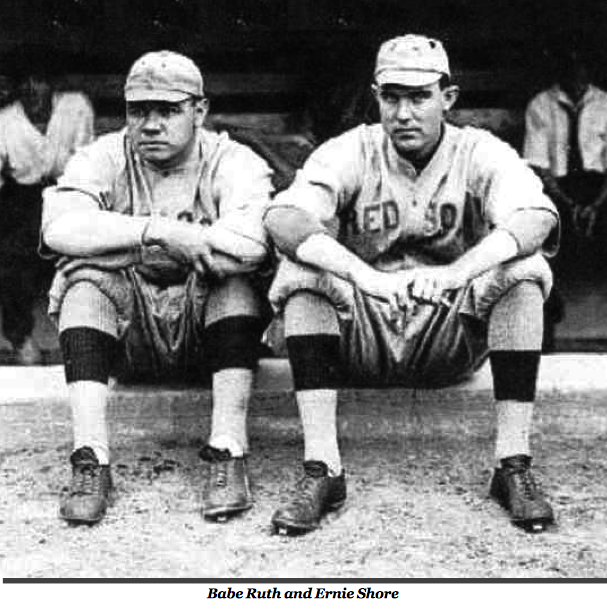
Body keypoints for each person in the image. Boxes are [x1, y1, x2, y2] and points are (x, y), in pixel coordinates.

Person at [264, 34, 559, 536]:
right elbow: (284, 219)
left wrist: (458, 273)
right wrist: (363, 277)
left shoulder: (478, 151)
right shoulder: (352, 149)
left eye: (419, 96)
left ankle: (513, 463)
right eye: (392, 96)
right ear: (375, 96)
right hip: (366, 332)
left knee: (526, 272)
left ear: (448, 98)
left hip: (447, 331)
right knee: (301, 274)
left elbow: (536, 218)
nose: (404, 112)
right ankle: (323, 468)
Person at [41, 51, 274, 525]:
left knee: (235, 280)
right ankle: (91, 458)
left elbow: (250, 245)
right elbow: (57, 229)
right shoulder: (104, 155)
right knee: (83, 280)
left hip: (206, 334)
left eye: (167, 110)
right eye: (138, 110)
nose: (150, 125)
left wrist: (115, 242)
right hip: (129, 336)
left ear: (200, 111)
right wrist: (159, 233)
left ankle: (228, 450)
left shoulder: (232, 160)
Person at [0, 58, 94, 364]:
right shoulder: (5, 119)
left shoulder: (75, 106)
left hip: (69, 191)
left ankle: (89, 338)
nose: (31, 88)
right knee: (12, 258)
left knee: (88, 255)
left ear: (51, 83)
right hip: (21, 198)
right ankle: (21, 338)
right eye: (24, 81)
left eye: (38, 79)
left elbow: (86, 159)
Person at [524, 49, 607, 269]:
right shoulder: (540, 105)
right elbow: (537, 163)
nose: (576, 78)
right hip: (559, 186)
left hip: (598, 185)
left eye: (582, 70)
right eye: (570, 70)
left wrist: (596, 205)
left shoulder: (604, 103)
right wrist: (569, 205)